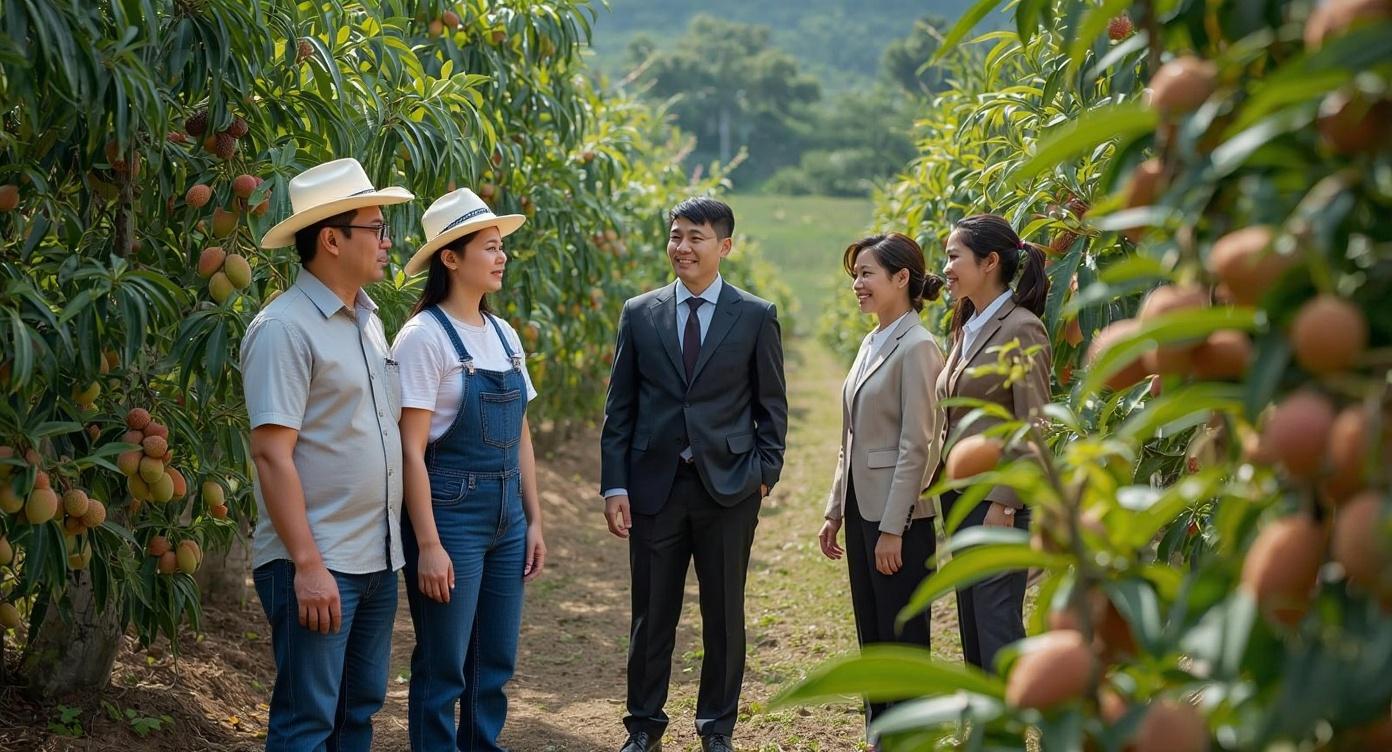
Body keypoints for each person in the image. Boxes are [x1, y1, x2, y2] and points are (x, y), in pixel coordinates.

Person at [600, 197, 788, 752]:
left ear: (724, 246)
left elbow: (771, 406)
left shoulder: (754, 315)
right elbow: (620, 408)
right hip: (654, 487)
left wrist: (764, 473)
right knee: (651, 613)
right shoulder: (640, 312)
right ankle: (643, 727)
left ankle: (716, 728)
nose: (682, 247)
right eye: (676, 235)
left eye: (695, 237)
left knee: (723, 614)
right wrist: (615, 483)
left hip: (729, 488)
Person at [242, 157, 414, 751]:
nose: (388, 241)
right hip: (319, 563)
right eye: (376, 228)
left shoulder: (367, 320)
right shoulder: (284, 329)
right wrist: (308, 566)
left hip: (374, 557)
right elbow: (271, 454)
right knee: (307, 720)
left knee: (356, 715)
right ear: (333, 239)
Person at [390, 187, 547, 751]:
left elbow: (522, 431)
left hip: (506, 515)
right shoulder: (423, 338)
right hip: (450, 515)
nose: (501, 257)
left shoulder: (504, 336)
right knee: (443, 662)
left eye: (502, 246)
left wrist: (534, 519)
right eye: (489, 247)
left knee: (494, 661)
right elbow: (410, 451)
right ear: (450, 258)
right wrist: (428, 543)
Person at [819, 233, 946, 739]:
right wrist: (835, 510)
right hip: (861, 508)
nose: (857, 284)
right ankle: (881, 733)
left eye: (867, 273)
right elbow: (852, 437)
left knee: (902, 637)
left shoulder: (917, 346)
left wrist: (894, 527)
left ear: (901, 279)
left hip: (897, 519)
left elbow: (920, 445)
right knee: (872, 629)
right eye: (855, 274)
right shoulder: (873, 339)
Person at [936, 213, 1051, 673]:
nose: (945, 267)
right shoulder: (967, 327)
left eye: (953, 256)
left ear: (988, 263)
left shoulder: (1022, 327)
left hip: (997, 503)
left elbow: (1035, 423)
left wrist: (1005, 503)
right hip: (962, 499)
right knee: (972, 624)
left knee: (997, 626)